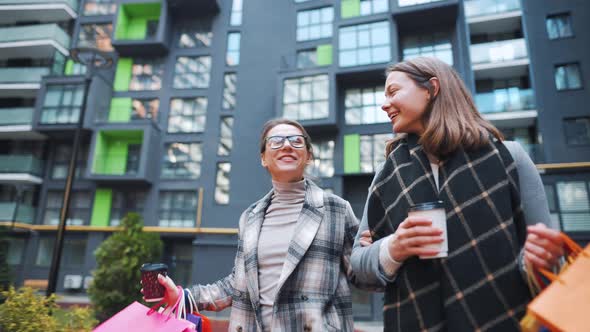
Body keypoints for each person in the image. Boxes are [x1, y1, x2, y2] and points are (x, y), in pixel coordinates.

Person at [351, 56, 564, 331]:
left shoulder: (510, 157)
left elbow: (543, 259)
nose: (384, 103)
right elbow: (358, 267)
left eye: (393, 92)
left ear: (431, 89)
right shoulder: (385, 175)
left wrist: (541, 260)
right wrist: (394, 248)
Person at [145, 119, 379, 332]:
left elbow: (363, 276)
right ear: (263, 158)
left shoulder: (336, 209)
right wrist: (184, 297)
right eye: (276, 141)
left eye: (297, 141)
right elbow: (237, 284)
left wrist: (378, 251)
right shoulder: (250, 217)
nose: (287, 146)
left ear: (308, 155)